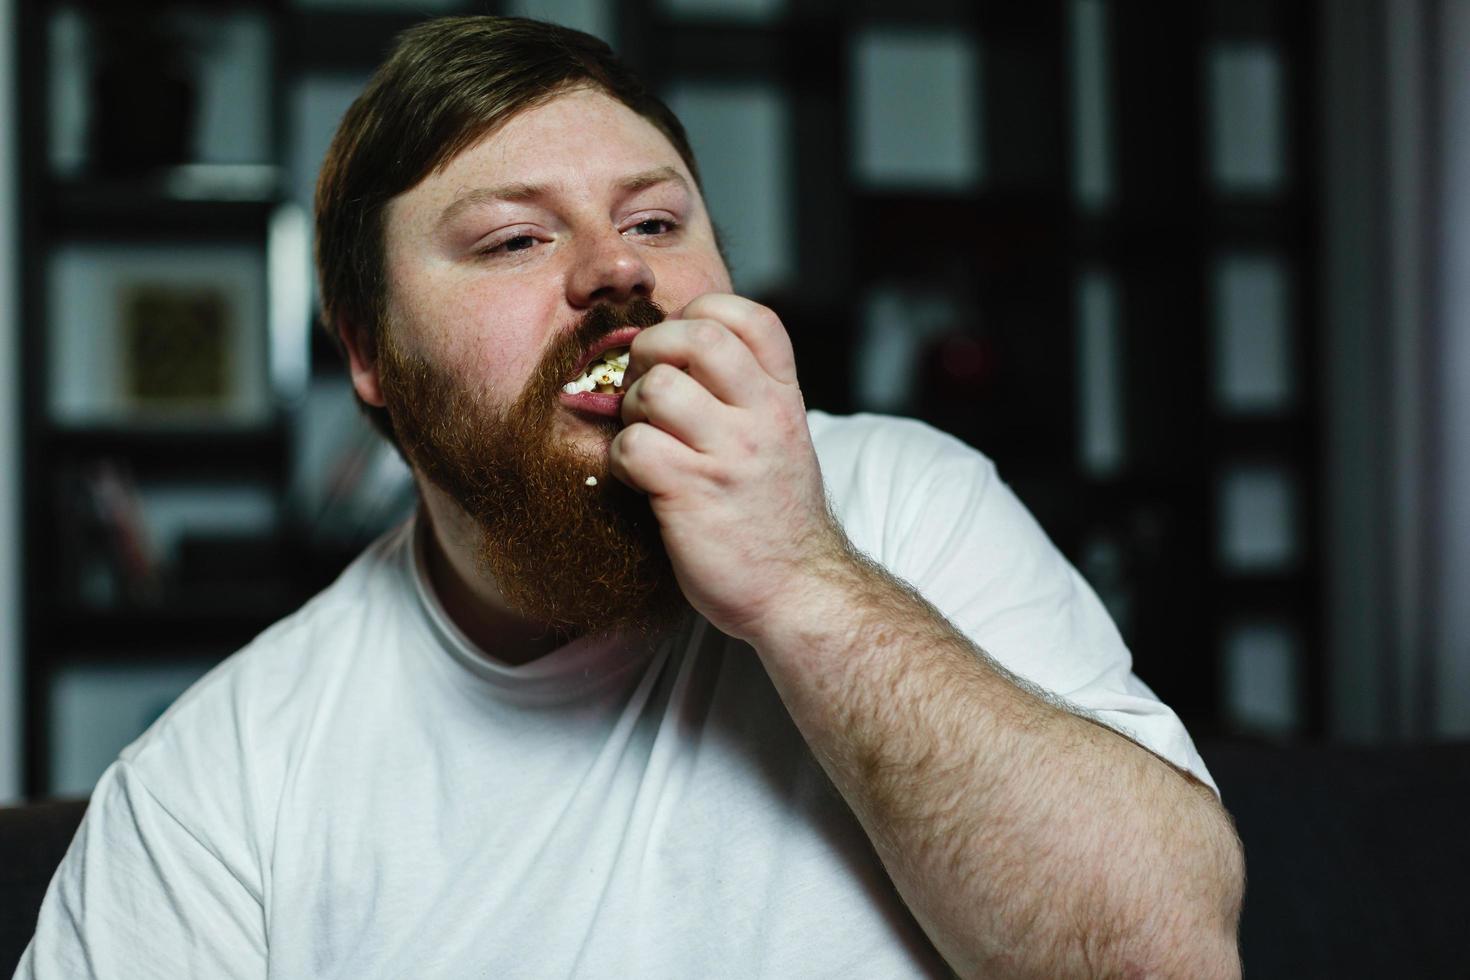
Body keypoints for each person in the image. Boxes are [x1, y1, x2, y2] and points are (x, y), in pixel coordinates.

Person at [18, 15, 1244, 979]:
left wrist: (802, 579)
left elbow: (1169, 957)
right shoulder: (218, 785)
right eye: (513, 240)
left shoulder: (908, 501)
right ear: (369, 353)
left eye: (656, 219)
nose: (618, 269)